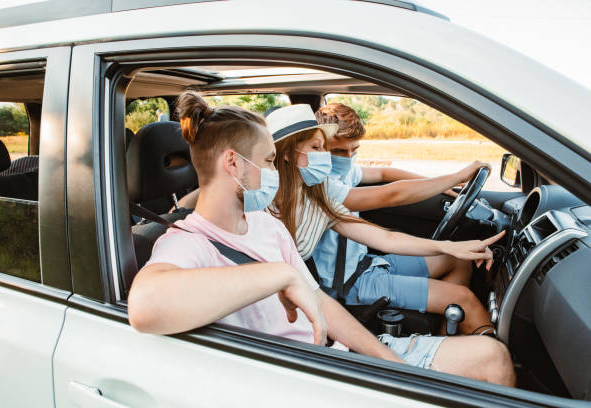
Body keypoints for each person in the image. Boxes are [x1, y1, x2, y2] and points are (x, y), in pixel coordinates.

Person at [128, 91, 515, 386]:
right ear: (233, 164)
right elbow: (144, 307)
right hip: (305, 377)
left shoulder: (267, 227)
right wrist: (281, 275)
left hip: (333, 356)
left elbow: (320, 303)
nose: (273, 169)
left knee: (491, 358)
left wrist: (391, 365)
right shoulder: (185, 242)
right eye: (267, 161)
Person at [265, 104, 503, 335]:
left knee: (457, 261)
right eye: (331, 151)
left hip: (365, 264)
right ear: (287, 154)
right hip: (350, 284)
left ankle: (446, 331)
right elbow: (390, 195)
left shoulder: (323, 185)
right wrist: (454, 177)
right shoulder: (320, 190)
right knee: (465, 299)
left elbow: (384, 181)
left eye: (353, 151)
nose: (347, 158)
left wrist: (445, 190)